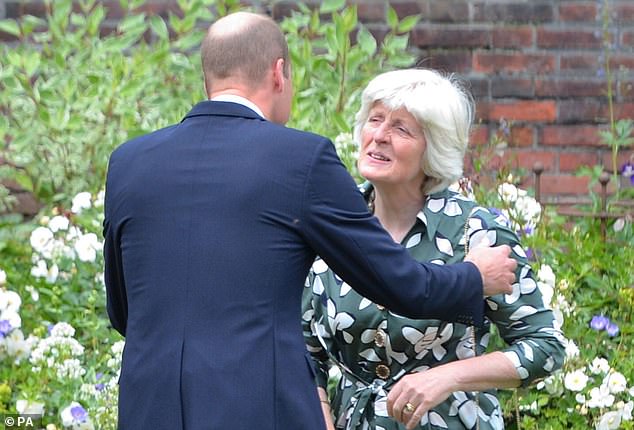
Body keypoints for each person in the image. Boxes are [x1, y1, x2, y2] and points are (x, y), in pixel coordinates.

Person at [103, 12, 518, 430]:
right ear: (279, 73)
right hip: (257, 409)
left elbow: (123, 312)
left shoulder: (128, 163)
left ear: (207, 76)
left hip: (148, 407)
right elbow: (399, 284)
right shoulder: (301, 159)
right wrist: (474, 277)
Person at [303, 68, 566, 430]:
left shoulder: (475, 232)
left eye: (400, 128)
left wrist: (446, 378)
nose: (379, 136)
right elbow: (305, 353)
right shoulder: (333, 227)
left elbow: (545, 347)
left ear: (434, 148)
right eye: (375, 120)